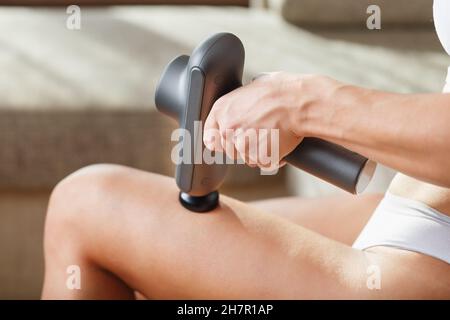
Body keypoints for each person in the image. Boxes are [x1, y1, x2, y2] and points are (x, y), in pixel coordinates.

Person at [41, 0, 450, 299]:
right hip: (414, 210)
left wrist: (303, 104)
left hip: (430, 264)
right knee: (156, 253)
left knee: (83, 206)